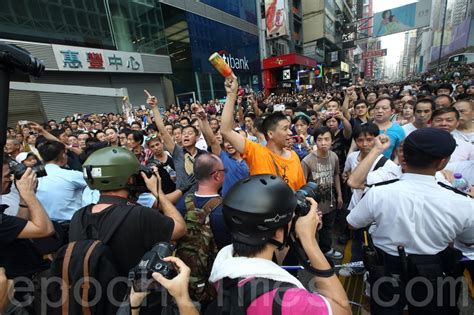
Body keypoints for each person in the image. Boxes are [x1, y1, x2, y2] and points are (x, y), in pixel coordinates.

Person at [347, 128, 474, 314]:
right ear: (442, 162)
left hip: (388, 273)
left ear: (404, 156)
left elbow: (352, 223)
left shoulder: (379, 193)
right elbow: (468, 240)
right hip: (433, 273)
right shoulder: (463, 202)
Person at [208, 174, 351, 314]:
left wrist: (289, 229)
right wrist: (309, 240)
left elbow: (272, 265)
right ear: (279, 233)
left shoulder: (225, 266)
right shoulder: (287, 301)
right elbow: (343, 310)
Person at [70, 147, 186, 277]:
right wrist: (158, 191)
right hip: (132, 293)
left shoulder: (78, 216)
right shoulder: (140, 215)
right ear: (130, 179)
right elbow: (180, 229)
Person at [220, 76, 306, 191]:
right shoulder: (256, 153)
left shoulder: (294, 157)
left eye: (289, 128)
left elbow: (301, 191)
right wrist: (231, 95)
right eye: (285, 128)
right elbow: (225, 130)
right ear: (270, 134)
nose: (290, 132)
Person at [1, 154, 54, 280]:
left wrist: (24, 200)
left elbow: (18, 228)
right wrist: (29, 194)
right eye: (7, 176)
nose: (11, 179)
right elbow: (45, 229)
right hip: (20, 284)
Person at [301, 126, 344, 259]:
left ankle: (325, 249)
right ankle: (311, 255)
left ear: (332, 141)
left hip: (330, 201)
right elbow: (303, 184)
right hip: (313, 205)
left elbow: (336, 175)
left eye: (327, 139)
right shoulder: (307, 160)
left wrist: (339, 195)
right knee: (312, 230)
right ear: (315, 141)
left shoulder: (334, 156)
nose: (323, 143)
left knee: (328, 228)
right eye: (320, 140)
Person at [175, 153, 230, 249]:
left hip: (182, 262)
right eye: (223, 171)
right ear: (217, 176)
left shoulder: (181, 203)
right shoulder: (225, 210)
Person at [193, 103, 249, 196]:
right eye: (226, 142)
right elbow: (213, 140)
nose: (229, 145)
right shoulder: (223, 157)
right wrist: (204, 119)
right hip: (228, 202)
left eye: (232, 142)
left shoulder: (249, 158)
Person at [35, 140, 88, 221]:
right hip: (71, 225)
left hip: (44, 224)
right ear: (63, 155)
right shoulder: (72, 175)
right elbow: (94, 184)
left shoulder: (34, 177)